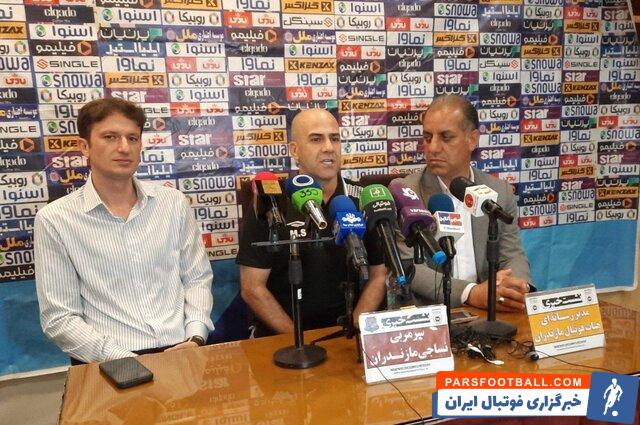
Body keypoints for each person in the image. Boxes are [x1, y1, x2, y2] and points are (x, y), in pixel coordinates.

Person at [35, 98, 214, 364]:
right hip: (107, 361)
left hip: (182, 351)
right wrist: (126, 360)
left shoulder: (173, 203)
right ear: (84, 146)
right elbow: (59, 318)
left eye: (132, 138)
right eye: (110, 137)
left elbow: (197, 278)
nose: (124, 147)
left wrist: (196, 336)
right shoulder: (56, 219)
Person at [237, 109, 387, 337]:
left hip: (348, 332)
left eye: (334, 139)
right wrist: (300, 339)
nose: (328, 147)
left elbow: (379, 275)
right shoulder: (271, 201)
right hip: (283, 336)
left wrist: (355, 329)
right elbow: (252, 288)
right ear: (294, 150)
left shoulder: (363, 198)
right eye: (316, 139)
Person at [391, 95, 532, 311]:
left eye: (446, 137)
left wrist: (516, 287)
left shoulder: (499, 191)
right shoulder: (405, 193)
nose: (433, 148)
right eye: (427, 138)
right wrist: (471, 293)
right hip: (432, 313)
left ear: (472, 140)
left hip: (487, 311)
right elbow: (410, 268)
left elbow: (512, 254)